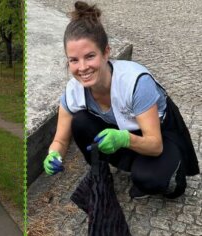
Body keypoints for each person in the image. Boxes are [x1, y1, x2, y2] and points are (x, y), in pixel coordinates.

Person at [43, 1, 199, 199]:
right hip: (124, 127)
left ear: (106, 52)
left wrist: (123, 138)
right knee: (80, 121)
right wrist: (53, 155)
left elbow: (154, 144)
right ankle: (101, 172)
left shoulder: (135, 82)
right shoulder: (73, 91)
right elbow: (60, 140)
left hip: (158, 133)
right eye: (74, 60)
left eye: (90, 56)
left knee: (150, 180)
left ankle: (173, 171)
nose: (82, 67)